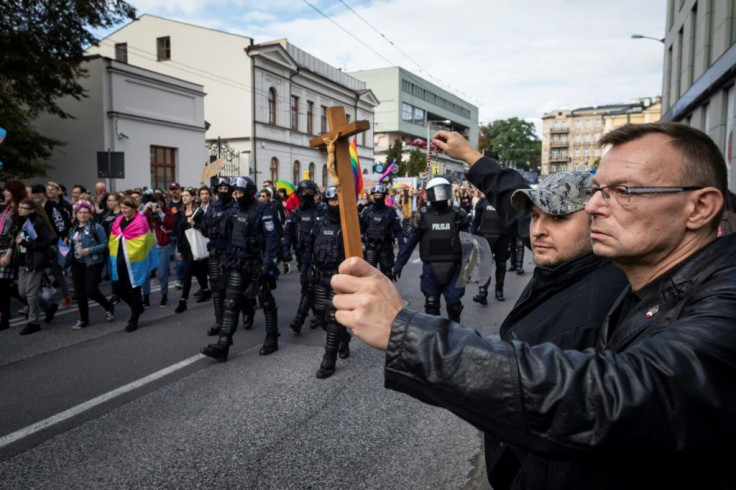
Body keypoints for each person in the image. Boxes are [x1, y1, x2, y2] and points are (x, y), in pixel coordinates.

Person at [332, 122, 735, 489]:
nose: (594, 207)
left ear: (699, 208)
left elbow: (616, 396)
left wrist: (407, 332)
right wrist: (471, 157)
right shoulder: (601, 259)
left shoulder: (724, 305)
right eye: (597, 192)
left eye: (623, 192)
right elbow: (517, 208)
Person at [200, 176, 280, 361]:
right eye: (235, 192)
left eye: (240, 192)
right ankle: (223, 345)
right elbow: (229, 237)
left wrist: (267, 263)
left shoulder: (263, 210)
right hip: (238, 263)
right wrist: (226, 260)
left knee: (265, 301)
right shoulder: (234, 211)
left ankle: (272, 337)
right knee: (230, 303)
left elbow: (271, 238)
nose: (236, 195)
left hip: (258, 264)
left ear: (250, 193)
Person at [392, 177, 470, 322]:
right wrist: (399, 264)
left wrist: (470, 268)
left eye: (443, 191)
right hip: (430, 267)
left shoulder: (459, 215)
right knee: (431, 303)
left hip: (455, 267)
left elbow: (470, 243)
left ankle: (455, 336)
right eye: (437, 191)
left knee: (454, 304)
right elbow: (410, 243)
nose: (440, 195)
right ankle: (434, 337)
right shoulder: (422, 216)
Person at [301, 186, 352, 378]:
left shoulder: (348, 226)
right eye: (332, 201)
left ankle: (329, 360)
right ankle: (343, 337)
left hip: (339, 278)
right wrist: (304, 270)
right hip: (319, 275)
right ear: (327, 202)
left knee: (333, 318)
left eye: (339, 201)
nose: (336, 204)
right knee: (321, 316)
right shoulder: (319, 223)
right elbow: (308, 247)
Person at [109, 196, 158, 332]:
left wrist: (129, 246)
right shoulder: (119, 220)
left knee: (134, 288)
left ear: (134, 209)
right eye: (122, 207)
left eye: (126, 208)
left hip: (134, 262)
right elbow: (113, 237)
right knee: (118, 289)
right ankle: (137, 307)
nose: (123, 210)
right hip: (119, 261)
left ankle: (134, 319)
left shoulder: (140, 222)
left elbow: (143, 242)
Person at [282, 179, 325, 333]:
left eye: (309, 191)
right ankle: (317, 314)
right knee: (306, 285)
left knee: (310, 286)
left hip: (318, 255)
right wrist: (286, 249)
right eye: (303, 191)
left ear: (314, 193)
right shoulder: (296, 212)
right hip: (302, 255)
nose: (306, 194)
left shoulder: (322, 211)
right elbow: (288, 233)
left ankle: (301, 319)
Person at [14, 198, 59, 335]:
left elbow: (44, 243)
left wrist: (25, 243)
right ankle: (49, 306)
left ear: (32, 210)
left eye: (23, 208)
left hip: (34, 262)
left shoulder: (38, 223)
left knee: (31, 294)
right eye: (19, 207)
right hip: (23, 262)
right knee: (22, 292)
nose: (20, 209)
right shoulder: (21, 221)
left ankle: (34, 322)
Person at [67, 200, 115, 329]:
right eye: (80, 212)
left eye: (86, 212)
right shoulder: (73, 228)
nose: (83, 215)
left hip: (93, 262)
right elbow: (71, 245)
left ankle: (108, 306)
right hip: (77, 264)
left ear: (90, 213)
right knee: (79, 293)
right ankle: (84, 320)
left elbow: (105, 245)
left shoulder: (96, 227)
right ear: (76, 214)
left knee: (91, 290)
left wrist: (90, 250)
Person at [202, 177, 236, 336]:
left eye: (226, 189)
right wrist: (206, 224)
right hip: (216, 253)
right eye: (220, 189)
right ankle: (219, 320)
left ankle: (246, 310)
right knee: (216, 288)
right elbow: (204, 229)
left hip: (232, 254)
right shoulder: (212, 207)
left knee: (235, 290)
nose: (223, 191)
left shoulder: (236, 207)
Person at [470, 191, 514, 302]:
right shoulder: (482, 202)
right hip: (485, 237)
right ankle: (482, 292)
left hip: (502, 238)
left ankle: (499, 290)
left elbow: (511, 223)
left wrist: (511, 241)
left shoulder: (506, 202)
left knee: (501, 265)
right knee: (484, 266)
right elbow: (476, 221)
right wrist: (472, 237)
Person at [174, 187, 210, 313]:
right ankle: (206, 291)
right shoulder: (181, 212)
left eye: (187, 195)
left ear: (193, 198)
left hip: (194, 246)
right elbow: (179, 232)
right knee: (197, 271)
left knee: (187, 273)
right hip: (184, 247)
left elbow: (205, 229)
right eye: (183, 196)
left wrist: (195, 223)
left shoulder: (198, 212)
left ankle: (183, 301)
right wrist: (178, 249)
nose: (184, 198)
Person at [360, 183, 404, 278]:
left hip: (385, 246)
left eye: (380, 195)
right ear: (372, 196)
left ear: (384, 196)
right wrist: (362, 242)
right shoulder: (367, 210)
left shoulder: (390, 211)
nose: (377, 197)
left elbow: (399, 230)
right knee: (369, 274)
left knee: (387, 273)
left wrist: (402, 247)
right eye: (375, 195)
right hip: (370, 246)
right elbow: (361, 229)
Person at [0, 181, 27, 331]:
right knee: (6, 286)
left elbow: (17, 234)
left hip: (10, 250)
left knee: (3, 285)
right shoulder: (7, 208)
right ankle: (45, 305)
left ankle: (4, 319)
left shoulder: (19, 209)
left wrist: (9, 254)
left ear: (14, 192)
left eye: (7, 191)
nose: (4, 193)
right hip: (1, 248)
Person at [43, 181, 73, 309]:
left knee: (64, 269)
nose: (49, 191)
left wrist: (66, 237)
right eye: (48, 189)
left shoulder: (64, 205)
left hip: (62, 241)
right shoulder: (45, 205)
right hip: (49, 242)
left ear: (58, 191)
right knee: (55, 270)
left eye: (52, 189)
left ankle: (70, 295)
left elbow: (66, 223)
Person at [142, 193, 175, 307]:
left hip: (163, 246)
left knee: (162, 274)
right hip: (148, 247)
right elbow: (138, 223)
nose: (157, 206)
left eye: (160, 203)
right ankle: (145, 297)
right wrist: (145, 209)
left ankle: (164, 296)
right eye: (155, 204)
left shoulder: (167, 211)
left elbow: (170, 223)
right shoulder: (147, 213)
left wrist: (160, 212)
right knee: (146, 275)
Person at [167, 182, 184, 289]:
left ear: (179, 190)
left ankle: (179, 280)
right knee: (175, 259)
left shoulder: (183, 202)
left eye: (176, 189)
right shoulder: (168, 203)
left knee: (179, 260)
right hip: (170, 235)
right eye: (172, 189)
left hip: (180, 235)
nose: (174, 191)